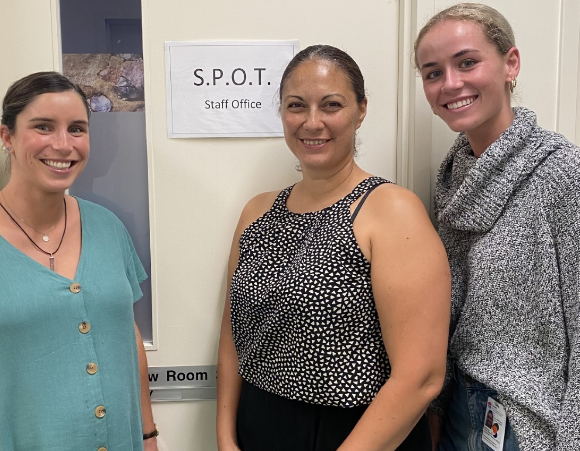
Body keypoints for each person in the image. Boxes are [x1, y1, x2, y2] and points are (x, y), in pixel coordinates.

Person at [0, 72, 159, 451]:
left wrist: (147, 435)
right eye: (43, 127)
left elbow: (126, 335)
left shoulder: (109, 227)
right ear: (7, 137)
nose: (63, 144)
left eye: (77, 129)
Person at [216, 45, 451, 451]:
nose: (312, 122)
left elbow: (422, 376)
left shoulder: (391, 210)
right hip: (259, 426)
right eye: (296, 105)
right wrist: (225, 436)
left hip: (360, 434)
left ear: (361, 110)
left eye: (331, 105)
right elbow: (232, 338)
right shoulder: (256, 212)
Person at [414, 4, 580, 451]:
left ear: (511, 64)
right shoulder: (452, 179)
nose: (450, 84)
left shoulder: (563, 173)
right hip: (458, 412)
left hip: (529, 426)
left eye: (467, 62)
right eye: (432, 73)